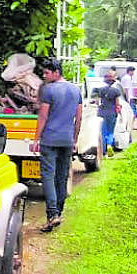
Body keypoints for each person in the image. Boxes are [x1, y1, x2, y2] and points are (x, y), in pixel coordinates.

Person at [30, 58, 82, 232]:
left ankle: (52, 214)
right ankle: (58, 213)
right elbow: (78, 118)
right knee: (61, 177)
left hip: (50, 139)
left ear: (56, 72)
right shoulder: (76, 90)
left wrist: (36, 139)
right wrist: (74, 139)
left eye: (46, 73)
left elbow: (43, 117)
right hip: (67, 140)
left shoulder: (49, 90)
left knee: (48, 177)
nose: (44, 76)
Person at [97, 70, 124, 158]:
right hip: (112, 112)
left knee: (103, 132)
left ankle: (103, 150)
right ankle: (109, 145)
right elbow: (117, 104)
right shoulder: (116, 91)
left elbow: (97, 102)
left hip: (102, 112)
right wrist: (119, 112)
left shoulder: (100, 90)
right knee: (110, 131)